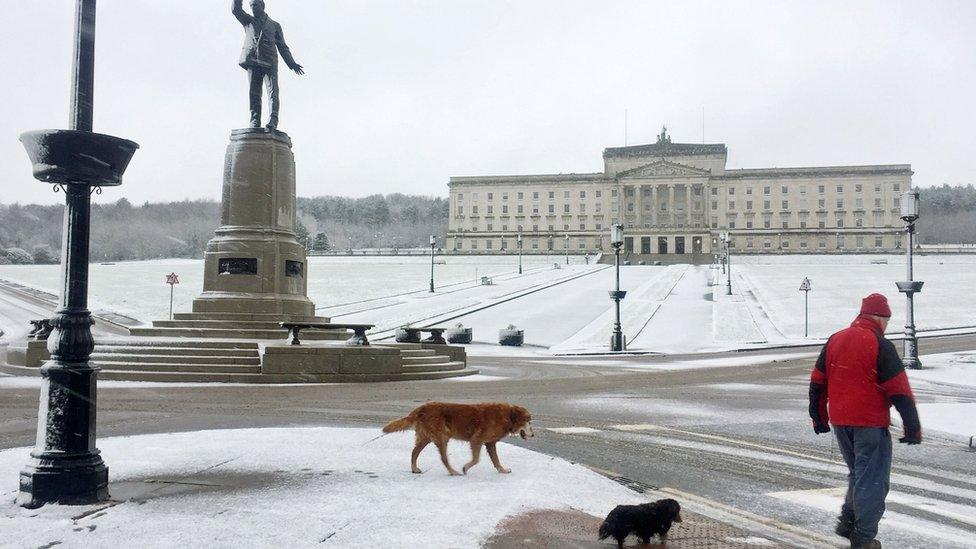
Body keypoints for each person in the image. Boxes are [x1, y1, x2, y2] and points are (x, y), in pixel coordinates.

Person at [808, 293, 922, 549]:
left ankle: (848, 522)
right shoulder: (879, 344)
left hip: (841, 422)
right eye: (887, 321)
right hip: (869, 423)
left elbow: (817, 382)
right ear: (881, 318)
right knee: (873, 480)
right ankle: (863, 538)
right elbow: (900, 389)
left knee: (859, 474)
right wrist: (912, 427)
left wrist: (819, 418)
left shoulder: (835, 339)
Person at [232, 0, 304, 130]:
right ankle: (254, 121)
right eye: (251, 6)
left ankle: (272, 120)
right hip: (253, 61)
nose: (253, 8)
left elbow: (282, 47)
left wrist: (292, 63)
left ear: (262, 6)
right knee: (254, 93)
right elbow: (236, 10)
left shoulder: (275, 25)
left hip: (269, 62)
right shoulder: (248, 21)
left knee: (273, 93)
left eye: (256, 5)